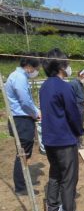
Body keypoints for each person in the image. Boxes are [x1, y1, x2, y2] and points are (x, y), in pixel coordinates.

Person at [39, 48, 84, 211]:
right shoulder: (64, 87)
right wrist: (79, 131)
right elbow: (73, 114)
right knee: (69, 177)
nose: (69, 67)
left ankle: (53, 209)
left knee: (55, 173)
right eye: (67, 63)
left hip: (49, 139)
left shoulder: (44, 86)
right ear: (61, 67)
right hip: (64, 140)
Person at [5, 54, 41, 196]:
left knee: (24, 152)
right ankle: (20, 187)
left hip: (20, 118)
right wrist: (36, 113)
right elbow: (25, 102)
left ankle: (23, 182)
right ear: (29, 66)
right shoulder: (19, 78)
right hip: (22, 119)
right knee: (22, 153)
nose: (36, 71)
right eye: (36, 67)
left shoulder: (16, 76)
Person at [70, 69, 84, 148]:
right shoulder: (74, 83)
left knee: (81, 124)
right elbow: (71, 96)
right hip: (77, 106)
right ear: (81, 75)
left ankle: (79, 141)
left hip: (81, 105)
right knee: (77, 124)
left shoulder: (80, 83)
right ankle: (76, 143)